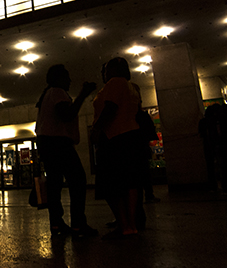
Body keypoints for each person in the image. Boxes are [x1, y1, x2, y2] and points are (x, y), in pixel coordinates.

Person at [35, 64, 97, 237]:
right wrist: (83, 95)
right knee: (78, 180)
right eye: (67, 76)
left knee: (54, 185)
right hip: (58, 143)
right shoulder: (57, 92)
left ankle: (56, 224)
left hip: (46, 143)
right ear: (59, 78)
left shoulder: (46, 95)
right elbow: (67, 114)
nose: (70, 80)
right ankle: (78, 224)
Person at [92, 57, 146, 240]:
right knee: (130, 182)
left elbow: (110, 108)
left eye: (107, 68)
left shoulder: (114, 83)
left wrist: (97, 129)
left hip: (114, 136)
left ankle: (123, 224)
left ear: (115, 69)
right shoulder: (132, 87)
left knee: (112, 183)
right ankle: (131, 224)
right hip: (132, 135)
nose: (105, 73)